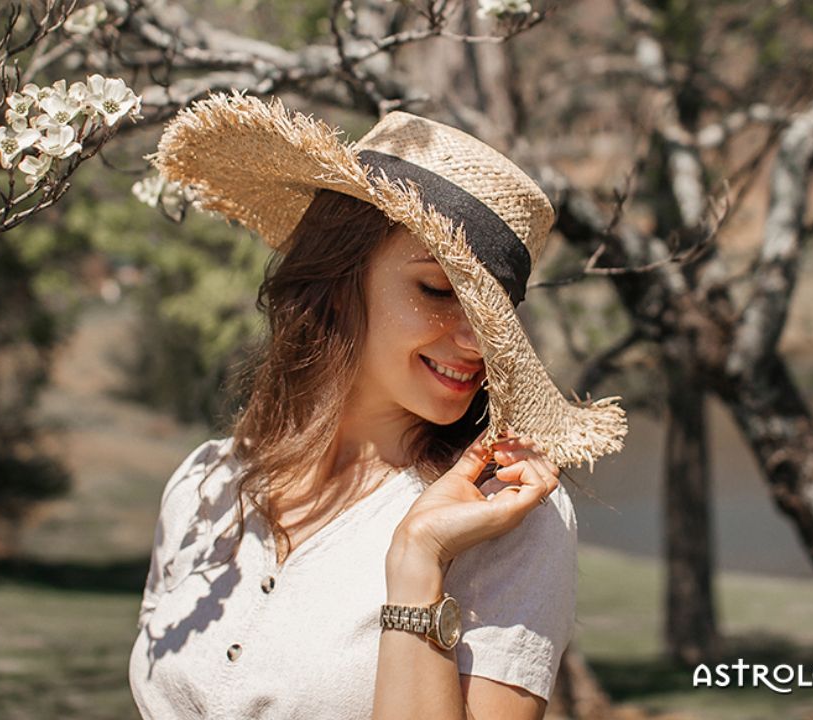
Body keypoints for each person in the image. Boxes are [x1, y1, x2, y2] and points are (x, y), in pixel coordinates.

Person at [128, 91, 628, 720]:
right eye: (439, 290)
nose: (476, 341)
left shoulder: (507, 515)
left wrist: (419, 559)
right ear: (340, 278)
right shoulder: (204, 485)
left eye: (494, 311)